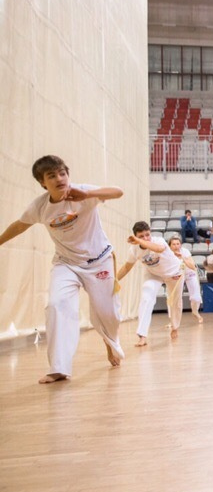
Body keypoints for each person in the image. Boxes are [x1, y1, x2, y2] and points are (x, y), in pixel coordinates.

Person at [0, 155, 124, 383]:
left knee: (109, 315)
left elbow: (118, 192)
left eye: (62, 173)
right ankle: (59, 367)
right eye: (51, 176)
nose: (59, 179)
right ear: (42, 183)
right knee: (57, 304)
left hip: (99, 260)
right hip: (66, 264)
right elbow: (18, 226)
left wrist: (89, 194)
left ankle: (109, 341)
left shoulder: (83, 192)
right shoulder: (40, 206)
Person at [117, 221, 186, 347]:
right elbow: (126, 267)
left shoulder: (158, 241)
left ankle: (175, 327)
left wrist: (140, 241)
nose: (145, 238)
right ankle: (142, 335)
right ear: (135, 236)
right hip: (154, 274)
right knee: (146, 297)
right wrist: (114, 280)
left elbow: (158, 249)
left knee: (175, 302)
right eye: (141, 236)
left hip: (174, 272)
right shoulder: (134, 250)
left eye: (147, 235)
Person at [169, 235, 202, 323]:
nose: (176, 246)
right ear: (170, 246)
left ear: (180, 245)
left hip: (189, 273)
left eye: (178, 244)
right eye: (173, 244)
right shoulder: (167, 253)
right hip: (177, 275)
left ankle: (195, 311)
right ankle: (172, 320)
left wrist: (182, 258)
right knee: (174, 298)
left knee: (196, 297)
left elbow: (193, 267)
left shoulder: (185, 251)